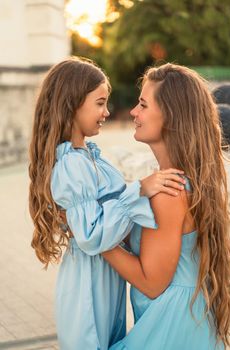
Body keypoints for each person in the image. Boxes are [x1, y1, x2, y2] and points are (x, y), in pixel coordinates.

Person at [28, 57, 185, 350]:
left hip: (103, 277)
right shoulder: (72, 165)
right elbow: (89, 236)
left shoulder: (88, 157)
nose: (107, 112)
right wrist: (140, 189)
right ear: (72, 104)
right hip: (88, 283)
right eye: (100, 103)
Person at [102, 63, 230, 350]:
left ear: (171, 116)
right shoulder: (184, 179)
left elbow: (151, 282)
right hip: (187, 321)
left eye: (143, 104)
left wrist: (96, 237)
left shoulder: (169, 192)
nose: (134, 113)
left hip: (172, 328)